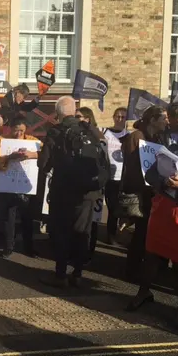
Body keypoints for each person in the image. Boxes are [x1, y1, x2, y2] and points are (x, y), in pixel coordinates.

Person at [126, 118, 178, 327]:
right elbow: (150, 174)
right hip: (161, 212)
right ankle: (143, 292)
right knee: (151, 257)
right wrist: (164, 181)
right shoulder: (174, 149)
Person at [38, 96, 105, 288]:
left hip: (63, 190)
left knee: (61, 232)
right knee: (82, 232)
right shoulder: (90, 129)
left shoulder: (56, 131)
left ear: (58, 114)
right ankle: (78, 273)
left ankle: (60, 275)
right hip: (88, 191)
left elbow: (43, 164)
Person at [120, 105, 169, 280]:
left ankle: (142, 268)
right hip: (141, 192)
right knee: (141, 232)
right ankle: (132, 271)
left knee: (147, 232)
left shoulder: (157, 138)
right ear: (153, 120)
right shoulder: (136, 137)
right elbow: (133, 167)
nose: (166, 121)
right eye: (163, 118)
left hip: (152, 192)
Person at [0, 116, 40, 258]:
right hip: (8, 184)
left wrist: (31, 154)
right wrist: (7, 158)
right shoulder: (0, 140)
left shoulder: (33, 141)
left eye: (22, 131)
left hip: (26, 184)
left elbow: (44, 154)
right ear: (10, 129)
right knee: (8, 218)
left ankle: (28, 247)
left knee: (27, 217)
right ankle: (8, 246)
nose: (18, 134)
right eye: (16, 131)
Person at [75, 106, 104, 263]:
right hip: (81, 185)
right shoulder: (77, 134)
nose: (76, 119)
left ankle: (87, 253)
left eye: (79, 116)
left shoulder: (96, 135)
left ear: (87, 118)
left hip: (93, 185)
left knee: (91, 221)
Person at [101, 107, 128, 245]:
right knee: (111, 207)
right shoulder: (105, 132)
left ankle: (115, 234)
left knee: (119, 208)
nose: (119, 119)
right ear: (113, 117)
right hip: (108, 176)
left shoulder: (128, 135)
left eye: (123, 117)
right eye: (117, 116)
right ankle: (110, 236)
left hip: (121, 176)